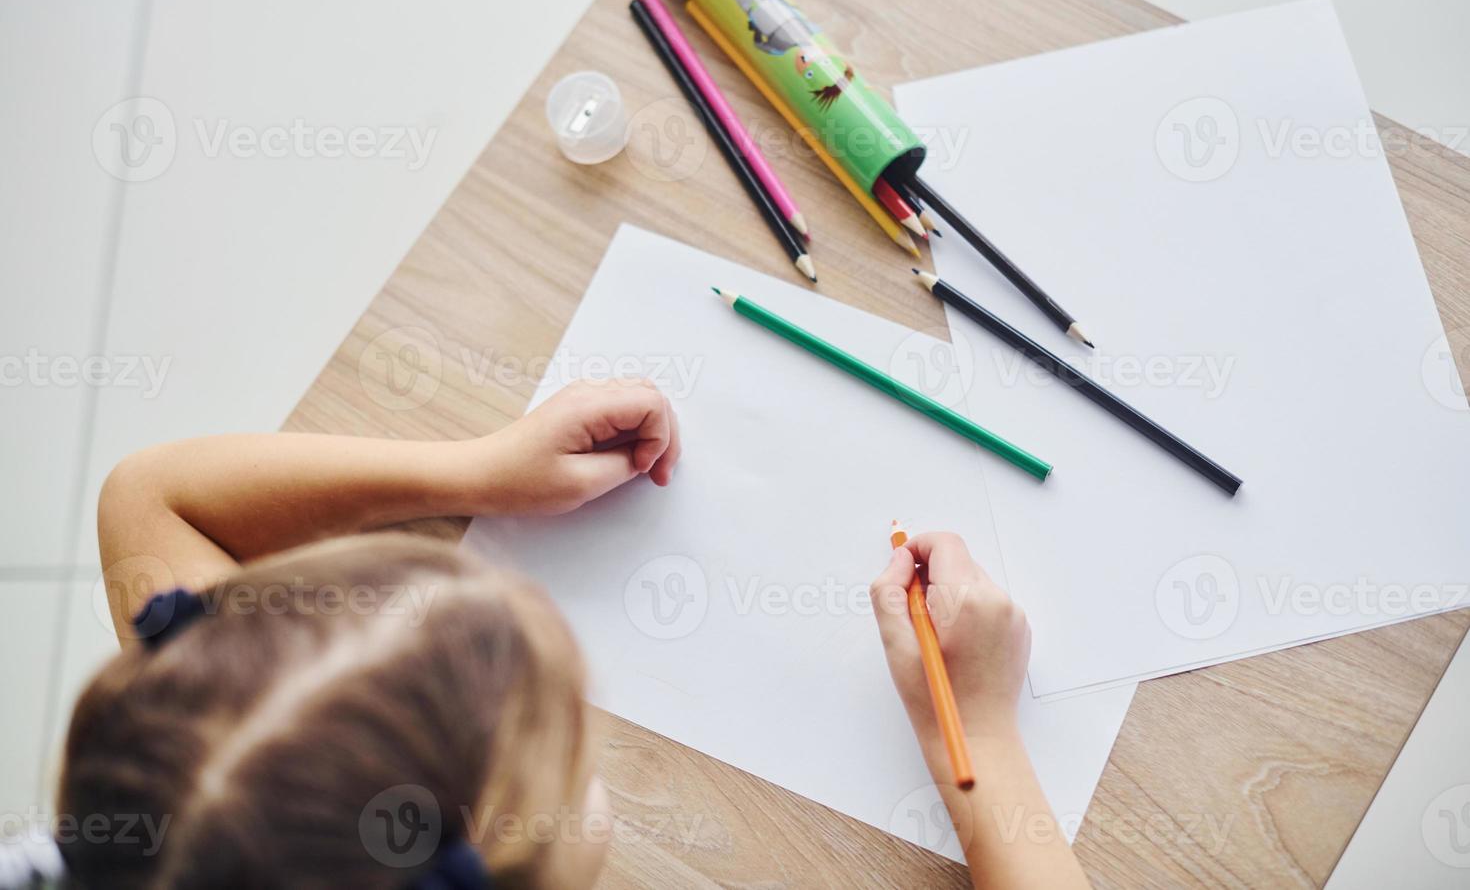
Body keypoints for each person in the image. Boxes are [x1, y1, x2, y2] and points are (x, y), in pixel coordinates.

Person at [56, 378, 1089, 888]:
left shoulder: (194, 799)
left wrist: (476, 471)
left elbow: (148, 495)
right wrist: (985, 741)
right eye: (567, 737)